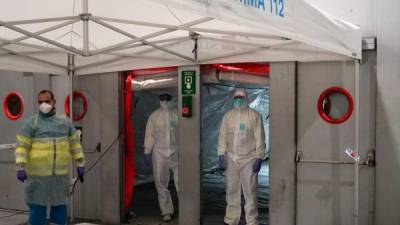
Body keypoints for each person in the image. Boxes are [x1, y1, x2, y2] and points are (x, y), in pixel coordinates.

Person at [15, 90, 85, 225]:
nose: (44, 104)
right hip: (37, 178)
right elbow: (22, 146)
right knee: (36, 213)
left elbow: (75, 144)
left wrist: (80, 163)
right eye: (40, 102)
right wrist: (20, 166)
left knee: (59, 212)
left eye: (47, 101)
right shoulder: (32, 123)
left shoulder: (65, 122)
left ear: (54, 102)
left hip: (59, 178)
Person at [218, 88, 265, 225]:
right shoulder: (228, 116)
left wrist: (259, 156)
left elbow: (260, 137)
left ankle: (252, 220)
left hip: (249, 159)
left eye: (241, 97)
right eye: (236, 97)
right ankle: (231, 219)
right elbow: (222, 136)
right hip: (231, 158)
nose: (238, 100)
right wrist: (221, 154)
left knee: (250, 191)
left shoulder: (254, 116)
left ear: (246, 98)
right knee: (232, 190)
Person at [144, 93, 179, 222]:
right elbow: (150, 135)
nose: (165, 101)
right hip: (159, 153)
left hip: (176, 151)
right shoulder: (154, 116)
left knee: (182, 181)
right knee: (161, 182)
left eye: (167, 99)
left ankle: (187, 208)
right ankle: (166, 211)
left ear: (171, 99)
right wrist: (147, 151)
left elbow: (184, 133)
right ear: (159, 100)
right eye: (163, 99)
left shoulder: (177, 115)